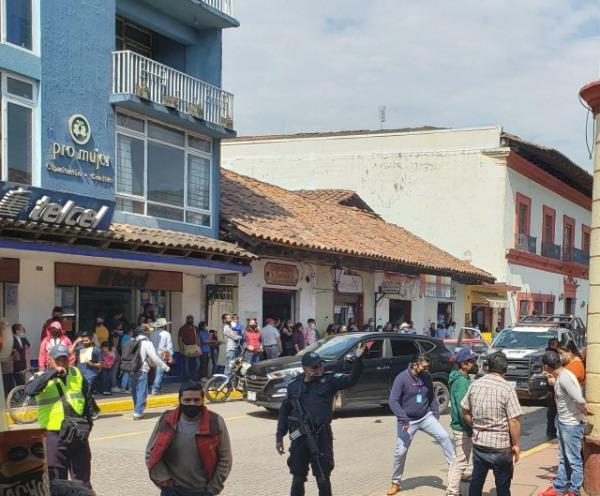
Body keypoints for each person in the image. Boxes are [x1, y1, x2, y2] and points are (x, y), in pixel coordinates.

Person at [276, 344, 366, 496]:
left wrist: (358, 359)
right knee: (298, 477)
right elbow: (284, 412)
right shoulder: (294, 387)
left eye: (320, 365)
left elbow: (352, 379)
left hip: (321, 436)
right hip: (300, 439)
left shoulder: (329, 381)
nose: (319, 368)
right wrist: (279, 436)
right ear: (306, 369)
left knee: (323, 477)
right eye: (315, 367)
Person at [25, 344, 94, 490]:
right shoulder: (39, 377)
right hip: (54, 435)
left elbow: (88, 400)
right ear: (49, 360)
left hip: (78, 434)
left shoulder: (76, 373)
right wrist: (52, 373)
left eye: (65, 359)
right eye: (58, 360)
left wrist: (88, 426)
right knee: (56, 481)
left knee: (82, 481)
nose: (62, 363)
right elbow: (30, 390)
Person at [146, 381, 233, 495]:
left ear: (203, 400)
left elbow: (225, 459)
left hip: (202, 491)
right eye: (187, 400)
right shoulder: (167, 420)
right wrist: (166, 483)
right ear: (179, 400)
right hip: (173, 490)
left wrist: (213, 489)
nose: (192, 403)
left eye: (196, 400)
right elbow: (151, 453)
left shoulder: (215, 422)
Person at [387, 355, 455, 495]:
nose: (426, 369)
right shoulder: (401, 378)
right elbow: (393, 402)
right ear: (414, 365)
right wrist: (403, 419)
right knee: (400, 451)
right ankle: (395, 482)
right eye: (424, 366)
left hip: (426, 417)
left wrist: (435, 416)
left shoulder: (427, 377)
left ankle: (456, 473)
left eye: (427, 367)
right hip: (407, 421)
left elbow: (431, 397)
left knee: (445, 437)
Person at [461, 351, 522, 496]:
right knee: (502, 484)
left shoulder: (475, 385)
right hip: (500, 447)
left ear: (488, 367)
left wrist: (475, 425)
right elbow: (513, 421)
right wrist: (516, 444)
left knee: (476, 481)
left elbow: (464, 409)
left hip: (479, 444)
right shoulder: (507, 388)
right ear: (505, 369)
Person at [539, 350, 592, 496]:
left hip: (572, 424)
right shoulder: (561, 376)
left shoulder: (565, 378)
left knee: (573, 460)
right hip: (564, 422)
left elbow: (579, 399)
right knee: (564, 458)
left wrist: (584, 410)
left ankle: (574, 491)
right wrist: (552, 381)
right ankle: (560, 487)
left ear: (546, 366)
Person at [446, 347, 478, 496]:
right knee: (460, 461)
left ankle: (453, 490)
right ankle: (452, 492)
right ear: (463, 365)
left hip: (460, 426)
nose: (474, 363)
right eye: (471, 361)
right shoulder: (461, 382)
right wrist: (472, 425)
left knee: (458, 459)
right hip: (462, 427)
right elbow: (462, 408)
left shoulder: (459, 377)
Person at [127, 324, 170, 419]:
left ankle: (136, 409)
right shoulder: (147, 343)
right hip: (142, 369)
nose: (150, 332)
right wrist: (165, 367)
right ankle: (138, 413)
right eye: (149, 331)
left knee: (135, 391)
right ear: (146, 332)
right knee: (142, 391)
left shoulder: (131, 341)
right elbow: (155, 358)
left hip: (131, 370)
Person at [151, 318, 174, 395]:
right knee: (160, 373)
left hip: (153, 355)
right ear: (164, 326)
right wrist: (170, 357)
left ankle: (159, 388)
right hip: (163, 355)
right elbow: (169, 347)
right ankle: (155, 389)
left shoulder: (152, 333)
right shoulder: (167, 334)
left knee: (156, 373)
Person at [546, 338, 561, 438]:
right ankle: (551, 429)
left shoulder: (550, 354)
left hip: (554, 385)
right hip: (552, 386)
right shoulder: (551, 355)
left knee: (553, 410)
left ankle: (551, 429)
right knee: (552, 410)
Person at [178, 315, 200, 382]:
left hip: (195, 348)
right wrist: (181, 349)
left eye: (192, 319)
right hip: (186, 348)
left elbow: (198, 338)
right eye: (189, 319)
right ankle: (187, 379)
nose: (191, 320)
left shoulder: (195, 328)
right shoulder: (182, 328)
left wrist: (199, 347)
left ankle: (194, 378)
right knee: (186, 366)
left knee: (197, 364)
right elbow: (180, 339)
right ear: (186, 320)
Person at [119, 325, 133, 392]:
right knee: (128, 373)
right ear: (130, 331)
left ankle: (125, 387)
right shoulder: (130, 338)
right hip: (129, 357)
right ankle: (125, 387)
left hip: (123, 355)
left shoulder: (123, 337)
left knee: (126, 372)